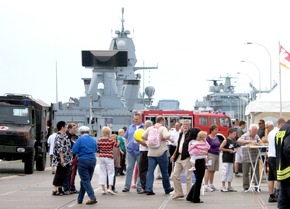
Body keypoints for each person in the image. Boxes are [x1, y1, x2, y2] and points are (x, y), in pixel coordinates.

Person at [142, 115, 174, 195]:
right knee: (164, 172)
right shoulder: (163, 128)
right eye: (165, 121)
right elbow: (166, 136)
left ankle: (149, 189)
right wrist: (168, 138)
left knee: (150, 171)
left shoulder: (150, 128)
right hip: (161, 152)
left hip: (151, 153)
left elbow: (143, 136)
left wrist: (149, 140)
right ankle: (167, 188)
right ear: (162, 121)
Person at [72, 126, 98, 205]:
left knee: (85, 180)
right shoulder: (93, 139)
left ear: (80, 132)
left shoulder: (80, 139)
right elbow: (96, 149)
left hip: (83, 160)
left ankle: (92, 197)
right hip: (92, 159)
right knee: (86, 180)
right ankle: (80, 199)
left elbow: (74, 150)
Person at [122, 112, 144, 193]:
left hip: (140, 151)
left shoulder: (144, 128)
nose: (135, 121)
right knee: (129, 169)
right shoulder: (130, 127)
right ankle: (126, 187)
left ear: (141, 119)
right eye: (134, 119)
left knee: (140, 169)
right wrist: (126, 146)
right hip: (130, 151)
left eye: (137, 119)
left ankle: (139, 186)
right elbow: (126, 137)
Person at [170, 120, 192, 199]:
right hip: (179, 156)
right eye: (184, 124)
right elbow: (178, 145)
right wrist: (174, 155)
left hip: (186, 157)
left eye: (186, 124)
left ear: (189, 125)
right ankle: (179, 192)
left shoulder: (191, 134)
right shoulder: (180, 134)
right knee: (174, 175)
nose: (185, 126)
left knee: (188, 177)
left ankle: (189, 194)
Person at [265, 119, 285, 203]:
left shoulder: (271, 132)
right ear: (281, 124)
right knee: (278, 176)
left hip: (270, 156)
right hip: (276, 156)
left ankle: (271, 195)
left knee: (271, 177)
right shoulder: (280, 132)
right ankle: (277, 194)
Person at [237, 124, 261, 191]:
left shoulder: (256, 136)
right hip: (246, 157)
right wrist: (248, 141)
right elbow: (238, 140)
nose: (255, 133)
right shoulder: (245, 135)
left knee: (256, 172)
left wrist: (259, 143)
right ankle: (246, 186)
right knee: (245, 172)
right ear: (250, 131)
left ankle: (257, 186)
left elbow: (260, 142)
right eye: (253, 132)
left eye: (256, 131)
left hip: (255, 157)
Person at [186, 127, 207, 204]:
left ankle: (190, 196)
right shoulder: (197, 143)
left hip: (194, 161)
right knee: (199, 180)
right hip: (200, 161)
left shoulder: (190, 142)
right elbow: (203, 152)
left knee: (198, 179)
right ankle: (195, 198)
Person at [52, 121, 72, 196]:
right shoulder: (58, 136)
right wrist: (61, 158)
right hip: (61, 158)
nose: (66, 128)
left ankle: (60, 188)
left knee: (63, 173)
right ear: (62, 127)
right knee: (59, 173)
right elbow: (59, 148)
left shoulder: (65, 135)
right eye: (65, 126)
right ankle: (54, 188)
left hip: (67, 158)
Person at [98, 126, 119, 195]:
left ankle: (103, 189)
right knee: (111, 173)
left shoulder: (99, 140)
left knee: (102, 172)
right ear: (109, 133)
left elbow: (97, 149)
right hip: (109, 156)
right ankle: (110, 188)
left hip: (101, 156)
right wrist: (118, 142)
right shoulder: (111, 140)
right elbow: (116, 146)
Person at [135, 120, 153, 194]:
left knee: (142, 170)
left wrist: (138, 140)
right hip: (147, 152)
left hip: (145, 152)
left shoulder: (147, 133)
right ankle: (147, 186)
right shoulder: (151, 132)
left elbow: (146, 144)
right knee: (147, 170)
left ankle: (145, 186)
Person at [276, 119, 290, 209]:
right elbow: (288, 149)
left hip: (282, 170)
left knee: (284, 201)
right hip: (288, 170)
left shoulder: (282, 129)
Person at [204, 124, 220, 192]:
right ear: (212, 130)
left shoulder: (216, 137)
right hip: (210, 155)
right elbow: (206, 147)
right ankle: (206, 185)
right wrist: (206, 156)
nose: (217, 131)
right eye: (216, 129)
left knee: (213, 170)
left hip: (217, 154)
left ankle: (211, 184)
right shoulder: (208, 138)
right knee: (209, 170)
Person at [63, 123, 78, 195]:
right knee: (67, 173)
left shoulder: (76, 137)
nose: (75, 130)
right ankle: (66, 188)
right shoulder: (65, 136)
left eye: (76, 128)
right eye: (73, 128)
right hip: (67, 157)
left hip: (75, 157)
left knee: (73, 173)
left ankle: (72, 187)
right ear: (69, 128)